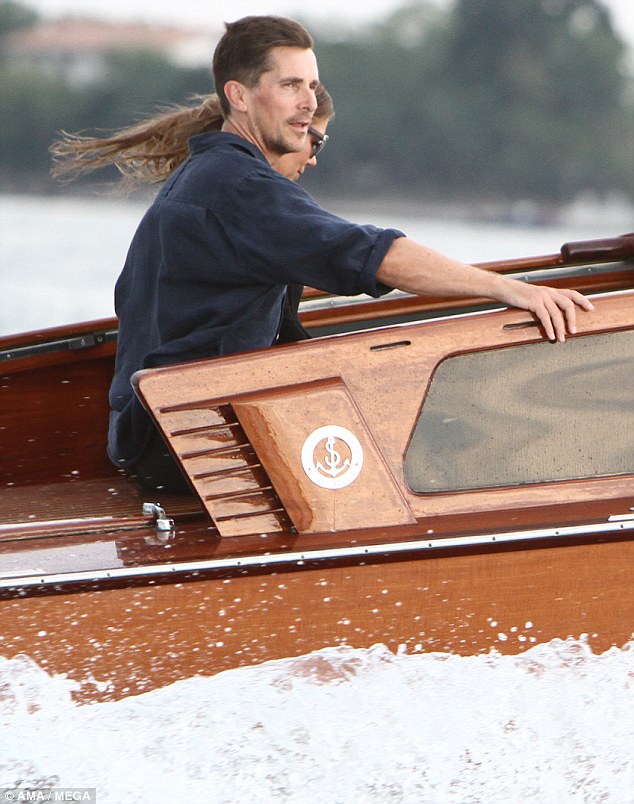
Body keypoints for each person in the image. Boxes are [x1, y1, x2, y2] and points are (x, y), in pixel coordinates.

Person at [54, 15, 593, 496]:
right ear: (240, 97)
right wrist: (509, 291)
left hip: (158, 437)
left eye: (311, 85)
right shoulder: (241, 187)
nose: (309, 101)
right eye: (291, 85)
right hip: (194, 445)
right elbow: (376, 255)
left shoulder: (206, 180)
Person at [51, 85, 334, 344]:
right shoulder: (251, 202)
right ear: (294, 128)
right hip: (190, 390)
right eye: (317, 142)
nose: (313, 159)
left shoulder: (194, 187)